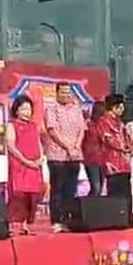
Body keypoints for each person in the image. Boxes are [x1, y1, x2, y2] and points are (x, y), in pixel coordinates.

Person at [43, 82, 87, 232]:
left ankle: (68, 220)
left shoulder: (76, 109)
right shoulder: (51, 109)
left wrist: (75, 147)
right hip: (57, 156)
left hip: (74, 156)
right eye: (63, 92)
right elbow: (52, 131)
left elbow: (82, 129)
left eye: (68, 92)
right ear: (56, 93)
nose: (66, 95)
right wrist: (67, 147)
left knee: (71, 189)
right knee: (57, 189)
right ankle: (56, 221)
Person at [5, 96, 45, 235]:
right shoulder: (11, 125)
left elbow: (39, 143)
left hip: (34, 165)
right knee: (18, 195)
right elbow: (10, 146)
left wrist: (40, 158)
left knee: (32, 196)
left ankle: (25, 225)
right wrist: (26, 161)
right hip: (19, 165)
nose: (27, 112)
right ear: (16, 110)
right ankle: (10, 225)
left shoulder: (33, 126)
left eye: (29, 109)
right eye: (23, 109)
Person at [98, 94, 133, 221]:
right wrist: (123, 147)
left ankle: (127, 217)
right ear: (114, 107)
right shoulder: (104, 121)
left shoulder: (120, 123)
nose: (123, 110)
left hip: (124, 162)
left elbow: (128, 138)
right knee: (114, 191)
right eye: (121, 107)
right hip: (111, 161)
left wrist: (129, 146)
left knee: (126, 191)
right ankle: (114, 218)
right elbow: (108, 140)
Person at [82, 102, 106, 196]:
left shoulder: (103, 125)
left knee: (100, 187)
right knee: (95, 186)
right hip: (90, 158)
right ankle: (89, 206)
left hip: (102, 158)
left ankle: (95, 208)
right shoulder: (88, 125)